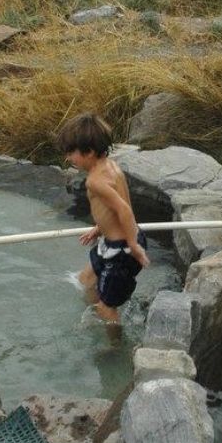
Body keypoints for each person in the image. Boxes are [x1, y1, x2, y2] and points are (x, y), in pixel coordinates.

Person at [55, 113, 150, 324]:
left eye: (71, 152)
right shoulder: (112, 167)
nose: (68, 158)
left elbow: (124, 209)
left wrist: (133, 246)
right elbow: (116, 208)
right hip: (115, 242)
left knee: (107, 308)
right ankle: (97, 307)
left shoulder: (94, 181)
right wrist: (100, 228)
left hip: (122, 250)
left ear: (88, 152)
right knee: (85, 280)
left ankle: (113, 347)